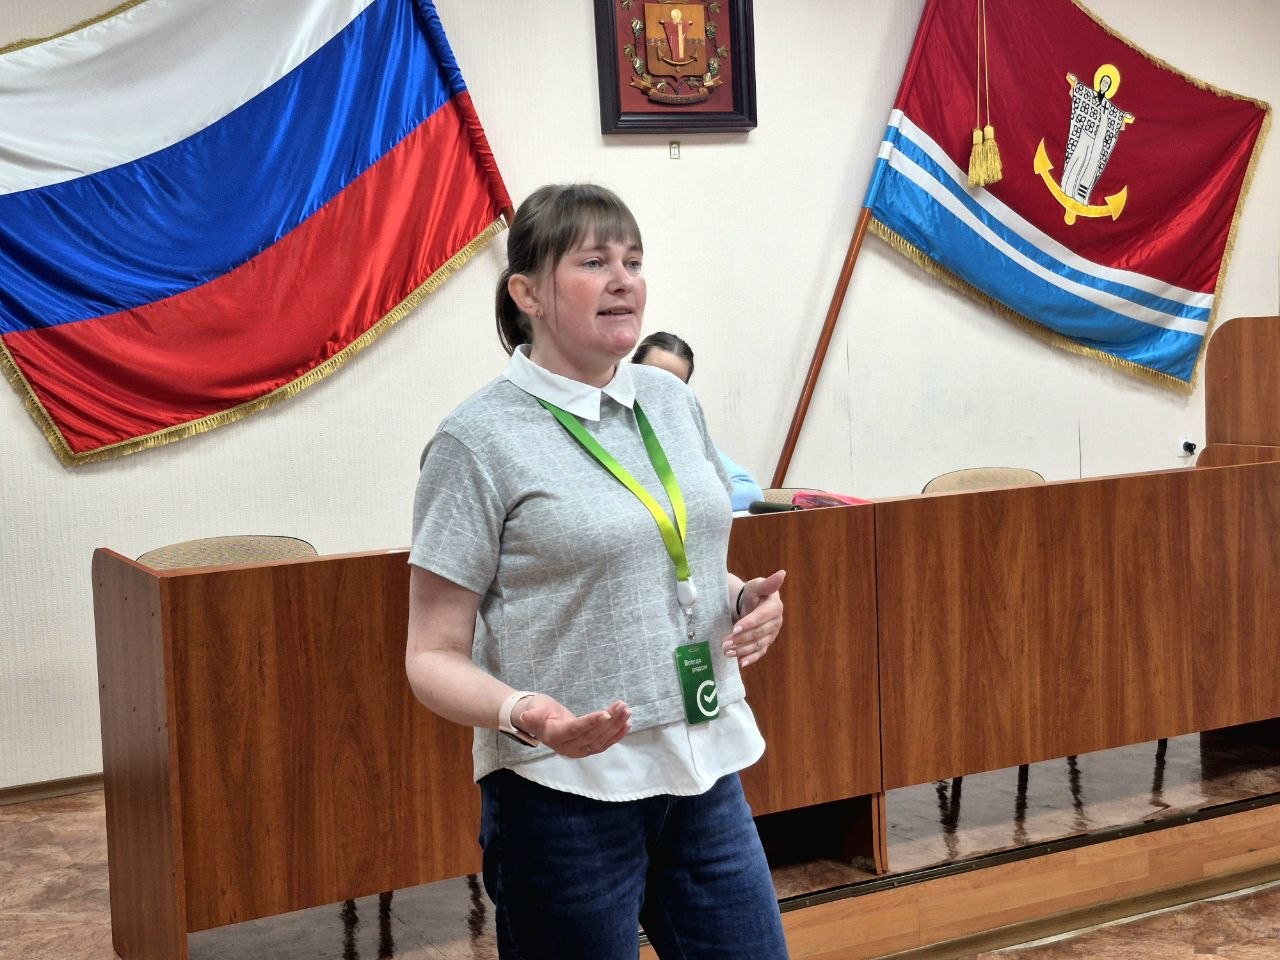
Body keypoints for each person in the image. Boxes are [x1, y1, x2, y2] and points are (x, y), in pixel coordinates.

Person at [405, 183, 790, 960]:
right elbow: (430, 655)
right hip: (562, 794)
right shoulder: (476, 440)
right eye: (594, 262)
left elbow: (677, 565)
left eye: (633, 262)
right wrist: (528, 714)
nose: (624, 281)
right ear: (528, 295)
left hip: (701, 769)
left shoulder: (671, 403)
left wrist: (742, 599)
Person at [632, 331, 764, 511]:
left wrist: (680, 500)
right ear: (630, 370)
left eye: (674, 386)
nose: (661, 392)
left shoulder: (686, 434)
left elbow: (750, 493)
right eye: (651, 378)